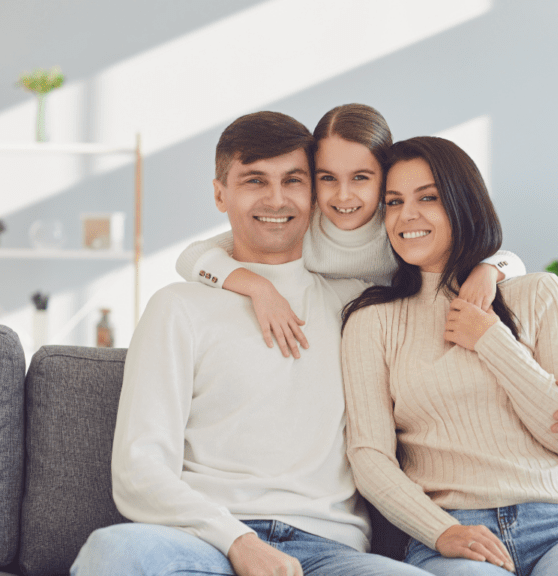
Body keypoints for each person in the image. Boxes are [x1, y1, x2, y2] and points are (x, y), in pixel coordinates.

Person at [71, 111, 431, 576]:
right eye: (255, 180)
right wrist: (236, 540)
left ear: (315, 195)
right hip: (204, 540)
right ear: (220, 193)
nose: (276, 199)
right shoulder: (177, 307)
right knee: (114, 553)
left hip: (329, 551)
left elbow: (460, 283)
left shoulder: (359, 305)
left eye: (293, 181)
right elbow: (139, 469)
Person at [176, 103, 558, 449]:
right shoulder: (302, 226)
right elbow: (192, 257)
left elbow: (511, 260)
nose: (344, 196)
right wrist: (258, 287)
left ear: (384, 179)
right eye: (327, 178)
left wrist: (487, 269)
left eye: (362, 178)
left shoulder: (400, 231)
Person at [341, 136, 558, 576]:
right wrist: (439, 531)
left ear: (464, 203)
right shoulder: (372, 320)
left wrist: (490, 339)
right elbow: (370, 457)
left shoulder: (541, 292)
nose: (408, 215)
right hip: (455, 534)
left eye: (429, 197)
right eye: (394, 201)